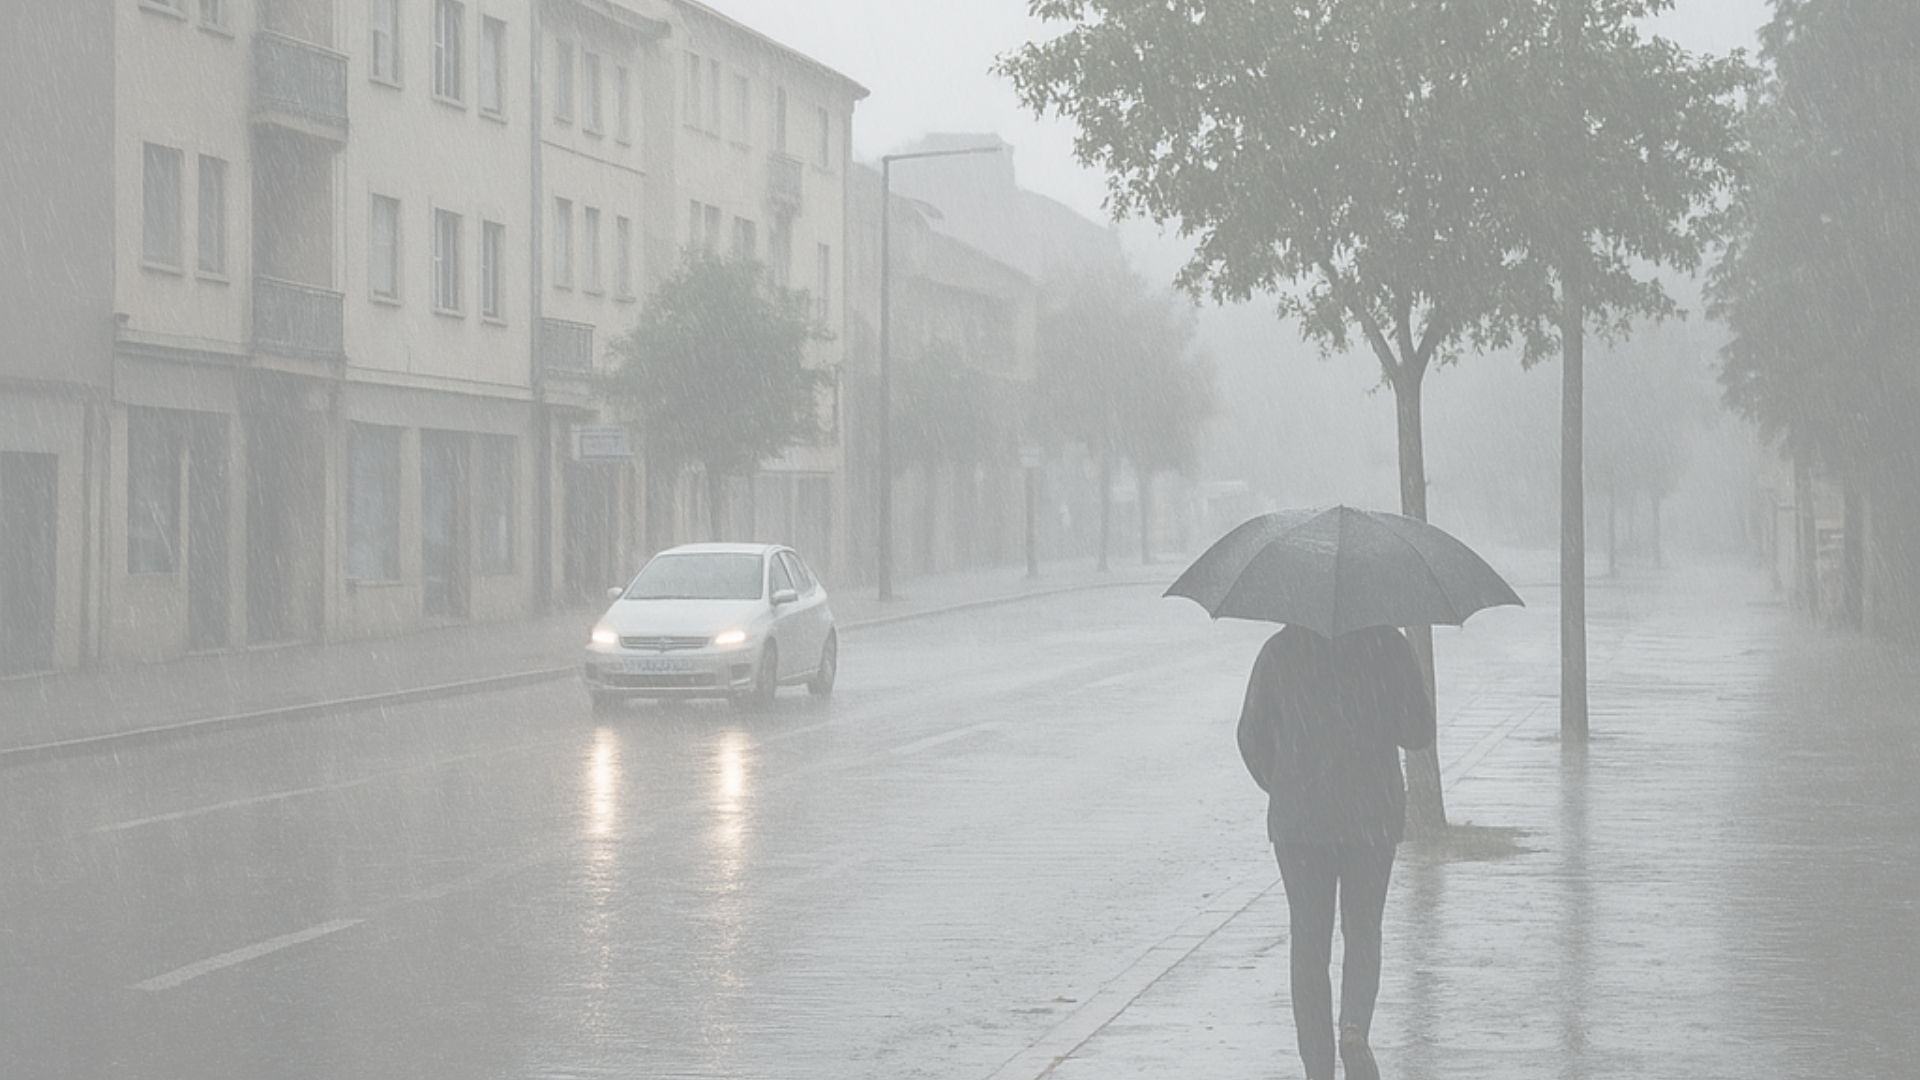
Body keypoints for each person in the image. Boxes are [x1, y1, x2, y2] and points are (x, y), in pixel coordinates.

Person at [1236, 622, 1433, 1080]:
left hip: (1301, 824)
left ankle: (1318, 1068)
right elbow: (1419, 731)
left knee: (1309, 942)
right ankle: (1354, 1029)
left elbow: (1249, 735)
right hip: (1371, 817)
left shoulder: (1280, 650)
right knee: (1363, 931)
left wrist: (1285, 783)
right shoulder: (1388, 646)